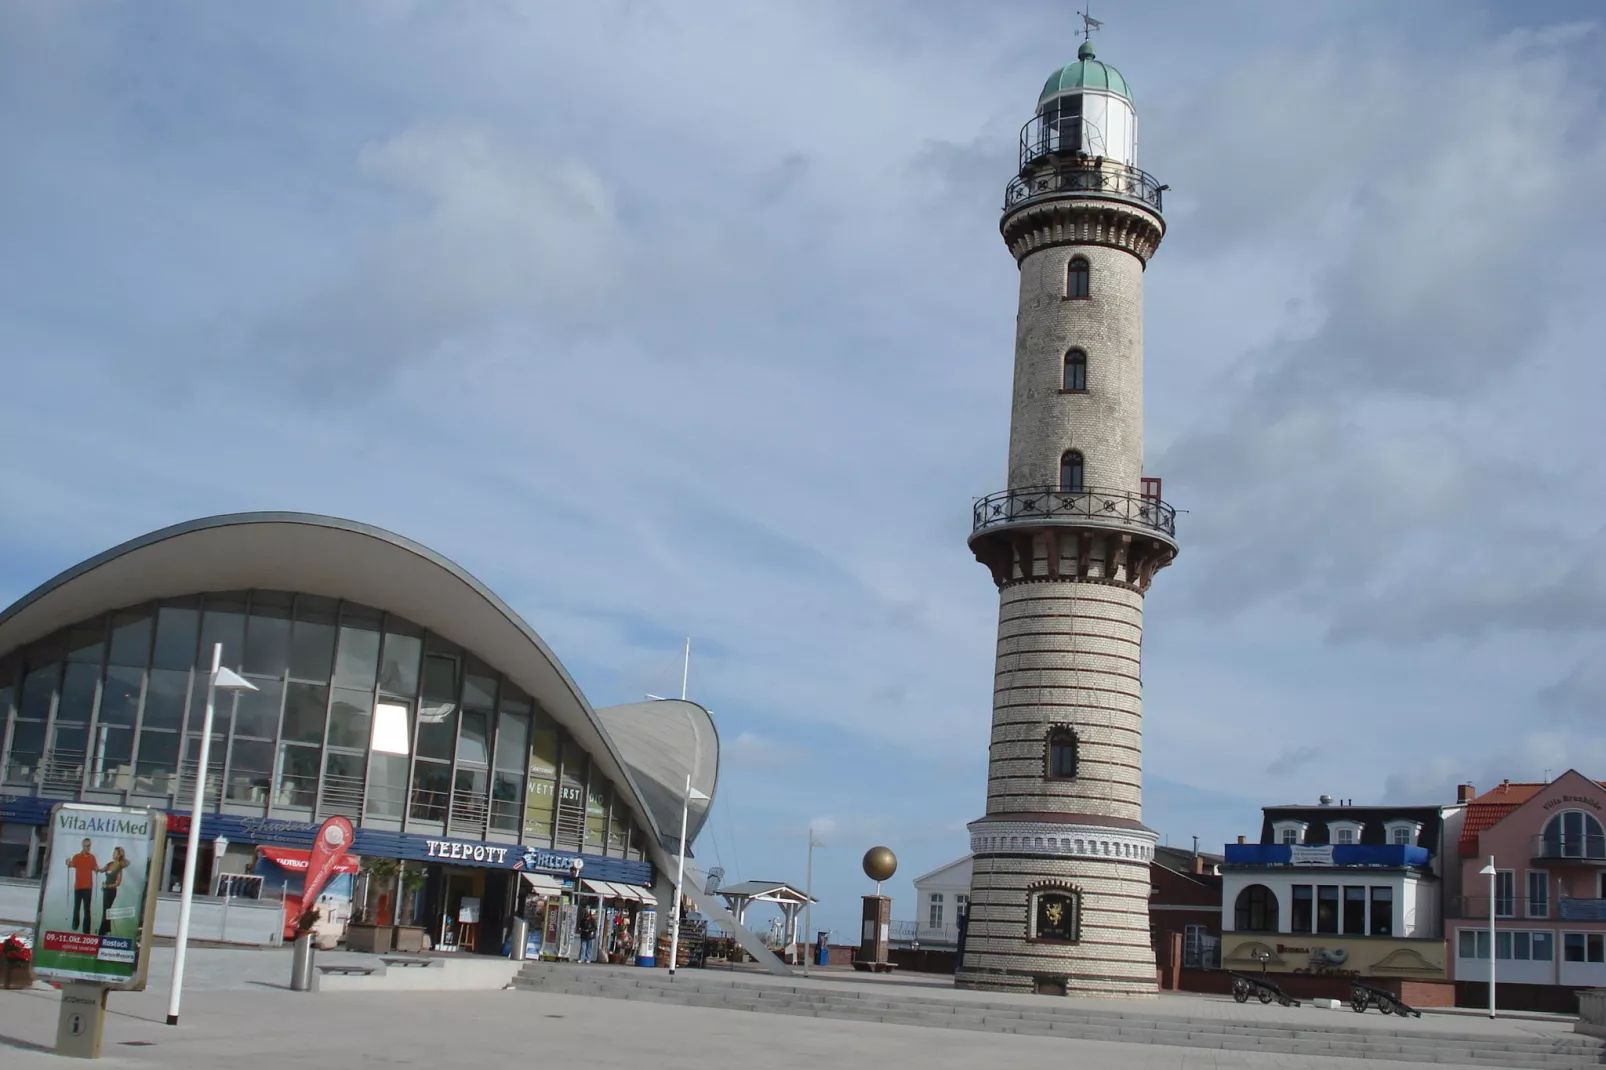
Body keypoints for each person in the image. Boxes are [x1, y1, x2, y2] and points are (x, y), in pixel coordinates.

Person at [66, 839, 99, 934]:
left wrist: (97, 869)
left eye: (89, 846)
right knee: (77, 907)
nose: (88, 848)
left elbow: (95, 867)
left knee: (87, 909)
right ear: (82, 846)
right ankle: (75, 925)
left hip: (88, 887)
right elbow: (71, 864)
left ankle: (86, 930)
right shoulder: (77, 857)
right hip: (78, 886)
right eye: (86, 846)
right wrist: (67, 862)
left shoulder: (92, 857)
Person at [99, 847, 130, 936]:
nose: (113, 854)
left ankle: (103, 932)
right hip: (106, 890)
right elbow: (101, 870)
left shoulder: (119, 867)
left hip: (111, 891)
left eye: (115, 852)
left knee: (106, 911)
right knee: (106, 911)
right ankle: (107, 930)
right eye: (113, 852)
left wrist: (107, 886)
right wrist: (95, 868)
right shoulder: (110, 864)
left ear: (119, 855)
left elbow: (118, 882)